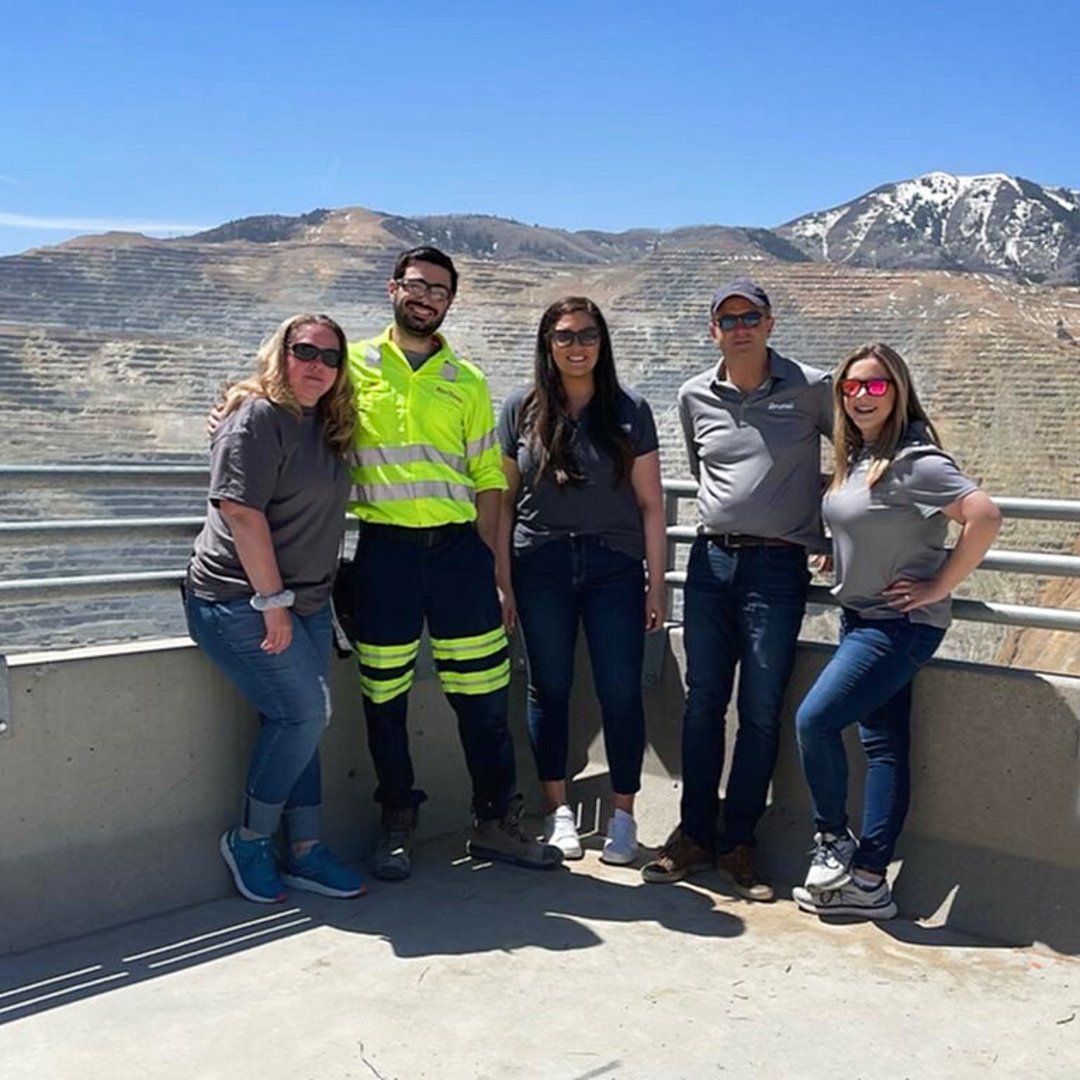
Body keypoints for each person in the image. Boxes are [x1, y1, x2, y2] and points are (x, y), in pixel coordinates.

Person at [346, 246, 561, 879]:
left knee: (484, 696)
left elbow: (488, 479)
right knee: (382, 698)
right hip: (383, 554)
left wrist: (498, 574)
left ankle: (495, 822)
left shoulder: (465, 380)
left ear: (450, 301)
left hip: (458, 556)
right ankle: (396, 825)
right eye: (417, 285)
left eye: (440, 290)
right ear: (393, 289)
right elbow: (290, 396)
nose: (427, 297)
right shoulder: (353, 366)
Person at [792, 343, 1001, 919]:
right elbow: (869, 521)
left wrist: (939, 587)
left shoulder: (915, 459)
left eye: (876, 386)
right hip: (862, 616)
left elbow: (984, 516)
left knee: (814, 721)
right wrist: (846, 555)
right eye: (852, 387)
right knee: (882, 746)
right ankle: (869, 881)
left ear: (899, 391)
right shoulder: (858, 457)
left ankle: (832, 841)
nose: (862, 395)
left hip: (898, 626)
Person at [641, 278, 833, 900]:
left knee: (759, 709)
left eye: (750, 316)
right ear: (712, 331)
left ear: (771, 323)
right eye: (728, 320)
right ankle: (694, 834)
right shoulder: (694, 394)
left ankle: (739, 842)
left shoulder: (812, 386)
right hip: (711, 563)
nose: (740, 328)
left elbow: (862, 448)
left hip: (778, 568)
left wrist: (832, 520)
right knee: (702, 703)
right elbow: (707, 475)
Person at [185, 314, 365, 903]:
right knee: (305, 715)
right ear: (280, 353)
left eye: (332, 357)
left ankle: (307, 850)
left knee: (303, 719)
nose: (318, 365)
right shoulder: (257, 415)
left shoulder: (326, 422)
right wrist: (273, 602)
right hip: (241, 599)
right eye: (305, 351)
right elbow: (240, 511)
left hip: (306, 599)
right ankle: (251, 840)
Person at [495, 297, 666, 865]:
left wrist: (657, 583)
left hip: (614, 566)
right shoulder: (521, 409)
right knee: (550, 687)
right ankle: (558, 812)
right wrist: (502, 578)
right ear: (548, 343)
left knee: (620, 689)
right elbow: (501, 503)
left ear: (602, 342)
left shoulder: (628, 409)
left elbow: (650, 505)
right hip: (539, 563)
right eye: (565, 336)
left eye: (587, 335)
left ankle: (623, 817)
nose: (577, 346)